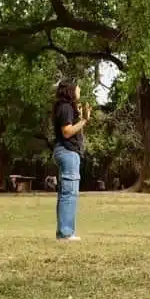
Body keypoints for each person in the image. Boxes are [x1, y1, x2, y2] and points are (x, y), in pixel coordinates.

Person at [52, 79, 92, 241]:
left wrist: (82, 117)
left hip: (65, 152)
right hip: (68, 152)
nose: (80, 91)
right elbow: (67, 132)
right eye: (78, 89)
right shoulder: (66, 107)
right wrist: (83, 120)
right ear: (70, 90)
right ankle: (66, 233)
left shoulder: (65, 108)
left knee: (65, 193)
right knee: (69, 193)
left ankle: (64, 232)